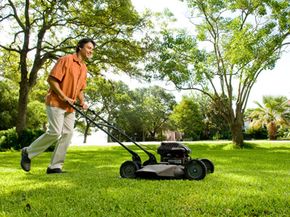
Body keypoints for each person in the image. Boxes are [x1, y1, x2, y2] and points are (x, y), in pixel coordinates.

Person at [20, 38, 95, 174]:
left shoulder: (84, 68)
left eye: (92, 49)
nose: (91, 51)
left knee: (68, 133)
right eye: (89, 48)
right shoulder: (66, 60)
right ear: (80, 47)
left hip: (70, 106)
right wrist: (63, 96)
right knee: (55, 132)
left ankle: (55, 166)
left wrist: (82, 102)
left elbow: (80, 89)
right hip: (56, 102)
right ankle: (28, 152)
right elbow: (52, 80)